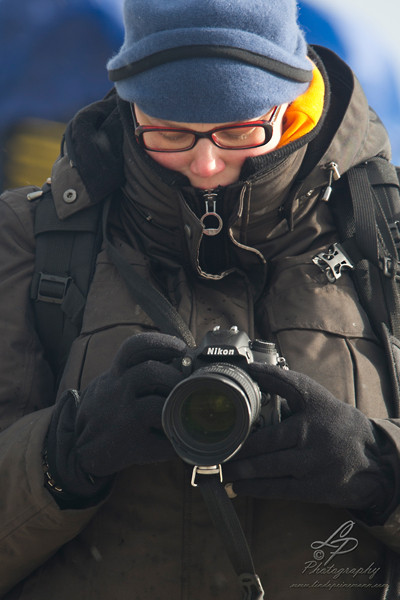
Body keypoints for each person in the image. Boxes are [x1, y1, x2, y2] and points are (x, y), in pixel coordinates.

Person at [0, 1, 399, 598]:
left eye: (240, 130)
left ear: (292, 101)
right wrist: (61, 456)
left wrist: (376, 470)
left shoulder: (386, 237)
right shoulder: (28, 241)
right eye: (169, 132)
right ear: (130, 105)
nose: (206, 166)